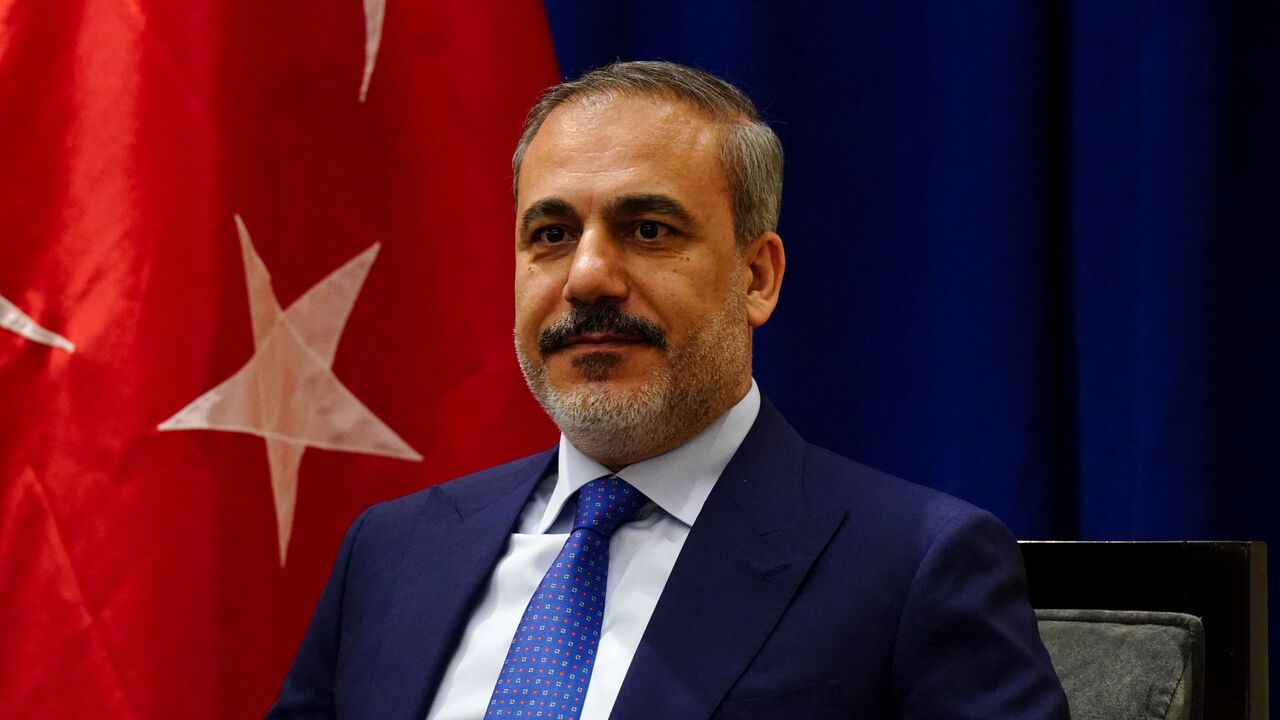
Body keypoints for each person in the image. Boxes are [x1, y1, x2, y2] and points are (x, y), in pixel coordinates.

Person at [267, 61, 1069, 720]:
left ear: (756, 278)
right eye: (550, 236)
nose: (587, 277)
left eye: (648, 230)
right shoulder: (393, 552)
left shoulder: (913, 567)